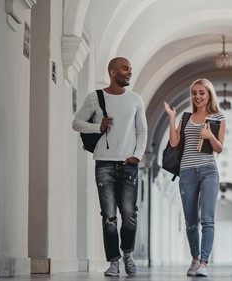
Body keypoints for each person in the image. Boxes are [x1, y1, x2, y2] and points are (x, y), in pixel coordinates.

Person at [72, 57, 148, 277]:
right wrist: (98, 126)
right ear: (112, 72)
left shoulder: (135, 99)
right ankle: (114, 261)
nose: (129, 73)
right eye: (125, 69)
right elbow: (76, 123)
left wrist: (137, 155)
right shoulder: (95, 98)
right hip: (104, 163)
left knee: (129, 213)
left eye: (130, 69)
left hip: (128, 164)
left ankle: (128, 254)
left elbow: (142, 131)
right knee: (108, 215)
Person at [163, 78, 226, 277]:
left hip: (209, 170)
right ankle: (195, 259)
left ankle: (204, 263)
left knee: (207, 219)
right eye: (194, 93)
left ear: (209, 95)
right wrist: (172, 117)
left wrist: (209, 136)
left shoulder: (218, 117)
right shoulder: (186, 116)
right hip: (187, 172)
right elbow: (174, 143)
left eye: (202, 93)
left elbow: (219, 148)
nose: (197, 96)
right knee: (191, 221)